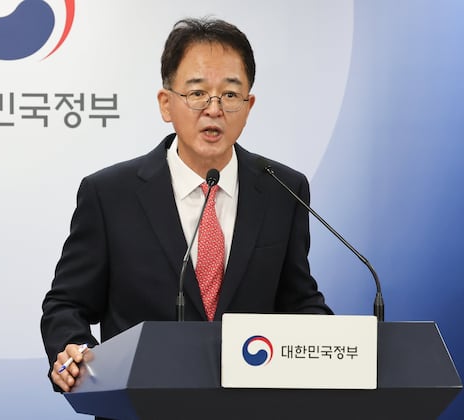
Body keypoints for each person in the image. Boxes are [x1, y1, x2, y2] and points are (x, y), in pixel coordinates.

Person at [41, 17, 332, 393]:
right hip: (142, 405)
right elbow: (66, 304)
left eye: (230, 95)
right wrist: (74, 351)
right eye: (197, 93)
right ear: (166, 104)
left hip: (251, 404)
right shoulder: (109, 195)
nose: (214, 109)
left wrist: (339, 347)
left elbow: (298, 299)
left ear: (248, 106)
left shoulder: (283, 190)